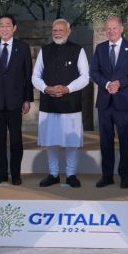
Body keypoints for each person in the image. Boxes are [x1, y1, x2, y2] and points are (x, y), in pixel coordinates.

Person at [32, 18, 90, 188]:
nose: (57, 33)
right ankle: (53, 174)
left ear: (68, 31)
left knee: (71, 142)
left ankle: (71, 174)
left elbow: (85, 77)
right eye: (55, 30)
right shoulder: (44, 51)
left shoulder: (78, 50)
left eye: (60, 30)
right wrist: (45, 88)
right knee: (51, 141)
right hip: (49, 103)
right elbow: (35, 76)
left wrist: (68, 88)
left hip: (71, 103)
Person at [90, 15, 128, 189]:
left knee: (125, 142)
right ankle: (107, 176)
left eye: (114, 28)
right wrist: (106, 84)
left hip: (124, 102)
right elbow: (94, 72)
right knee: (105, 142)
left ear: (122, 28)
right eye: (108, 28)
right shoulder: (100, 48)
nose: (111, 31)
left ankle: (124, 176)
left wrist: (120, 84)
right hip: (105, 102)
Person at [0, 14, 33, 185]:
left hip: (15, 101)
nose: (4, 28)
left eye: (7, 25)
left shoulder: (23, 48)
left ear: (14, 28)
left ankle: (16, 174)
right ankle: (1, 174)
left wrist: (27, 99)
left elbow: (28, 75)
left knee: (16, 140)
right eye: (1, 26)